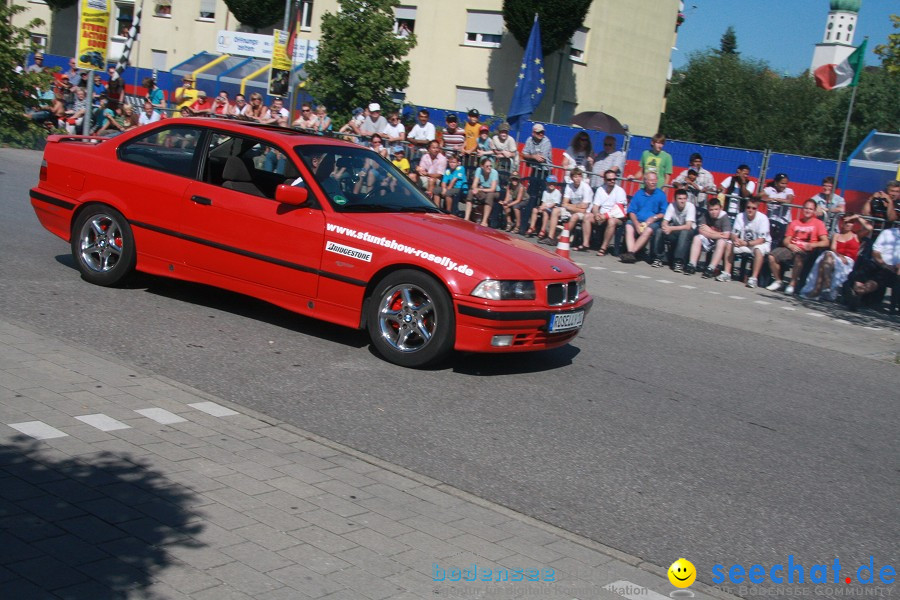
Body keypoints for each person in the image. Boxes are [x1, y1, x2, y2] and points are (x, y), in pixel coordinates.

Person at [801, 214, 871, 300]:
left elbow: (869, 228)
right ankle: (826, 286)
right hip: (835, 257)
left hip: (848, 261)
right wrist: (839, 256)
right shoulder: (836, 235)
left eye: (851, 222)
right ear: (841, 223)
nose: (848, 224)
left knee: (825, 259)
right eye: (846, 222)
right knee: (827, 255)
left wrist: (856, 217)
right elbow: (833, 248)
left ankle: (818, 289)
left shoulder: (856, 235)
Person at [766, 199, 829, 294]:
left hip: (808, 251)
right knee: (772, 256)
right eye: (806, 208)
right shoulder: (794, 222)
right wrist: (790, 245)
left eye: (811, 209)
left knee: (799, 257)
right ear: (803, 209)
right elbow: (786, 239)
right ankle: (778, 281)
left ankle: (792, 284)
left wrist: (812, 244)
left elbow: (826, 242)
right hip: (792, 248)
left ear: (814, 211)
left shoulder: (818, 224)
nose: (808, 211)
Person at [844, 225, 900, 312]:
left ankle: (856, 293)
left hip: (892, 270)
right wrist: (882, 263)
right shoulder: (887, 233)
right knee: (862, 273)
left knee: (877, 279)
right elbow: (875, 252)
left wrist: (892, 267)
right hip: (877, 262)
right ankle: (855, 295)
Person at [620, 172, 667, 263]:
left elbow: (663, 213)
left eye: (655, 180)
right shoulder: (639, 193)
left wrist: (653, 218)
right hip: (638, 220)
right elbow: (632, 211)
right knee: (629, 225)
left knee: (648, 230)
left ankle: (631, 253)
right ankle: (630, 252)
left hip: (653, 222)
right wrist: (636, 223)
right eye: (651, 180)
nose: (654, 182)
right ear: (645, 181)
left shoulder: (661, 194)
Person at [729, 198, 771, 288]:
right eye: (748, 207)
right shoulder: (740, 216)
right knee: (729, 243)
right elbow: (733, 233)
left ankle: (753, 279)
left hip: (761, 244)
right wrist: (735, 240)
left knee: (758, 249)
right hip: (745, 243)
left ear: (757, 209)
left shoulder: (763, 218)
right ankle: (727, 273)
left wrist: (746, 243)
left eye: (753, 208)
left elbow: (761, 240)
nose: (750, 210)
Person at [685, 198, 732, 277]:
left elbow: (726, 235)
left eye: (716, 209)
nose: (714, 212)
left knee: (721, 242)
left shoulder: (724, 216)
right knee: (697, 238)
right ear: (708, 209)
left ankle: (711, 268)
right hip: (709, 239)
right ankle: (692, 264)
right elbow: (701, 230)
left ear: (721, 208)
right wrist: (717, 234)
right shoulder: (705, 214)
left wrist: (709, 230)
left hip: (719, 242)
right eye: (711, 210)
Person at [652, 188, 696, 271]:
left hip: (688, 232)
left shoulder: (690, 206)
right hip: (675, 230)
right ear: (675, 199)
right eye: (679, 199)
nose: (682, 201)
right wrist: (665, 227)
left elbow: (688, 226)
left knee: (684, 232)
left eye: (684, 199)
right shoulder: (672, 205)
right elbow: (664, 222)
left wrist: (671, 228)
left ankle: (678, 262)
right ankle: (658, 258)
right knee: (659, 231)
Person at [590, 169, 627, 257]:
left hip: (618, 217)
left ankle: (603, 247)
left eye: (614, 179)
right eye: (609, 179)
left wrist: (605, 216)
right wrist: (596, 214)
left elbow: (619, 209)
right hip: (602, 215)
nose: (612, 181)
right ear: (605, 180)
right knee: (587, 217)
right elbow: (595, 206)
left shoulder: (620, 191)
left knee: (611, 221)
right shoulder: (600, 189)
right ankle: (586, 244)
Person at [558, 168, 594, 250]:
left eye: (579, 176)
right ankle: (550, 236)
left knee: (574, 216)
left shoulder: (586, 188)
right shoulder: (569, 186)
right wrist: (576, 206)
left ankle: (562, 236)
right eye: (575, 177)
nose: (578, 178)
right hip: (573, 208)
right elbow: (564, 202)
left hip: (585, 212)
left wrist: (570, 206)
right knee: (556, 211)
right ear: (571, 178)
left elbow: (584, 209)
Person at [464, 157, 499, 227]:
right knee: (471, 192)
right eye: (487, 166)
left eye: (490, 166)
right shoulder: (478, 170)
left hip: (494, 191)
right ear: (482, 166)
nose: (489, 168)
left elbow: (492, 189)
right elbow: (474, 185)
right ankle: (466, 217)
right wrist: (476, 189)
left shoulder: (494, 173)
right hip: (483, 189)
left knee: (490, 195)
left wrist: (480, 189)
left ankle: (484, 221)